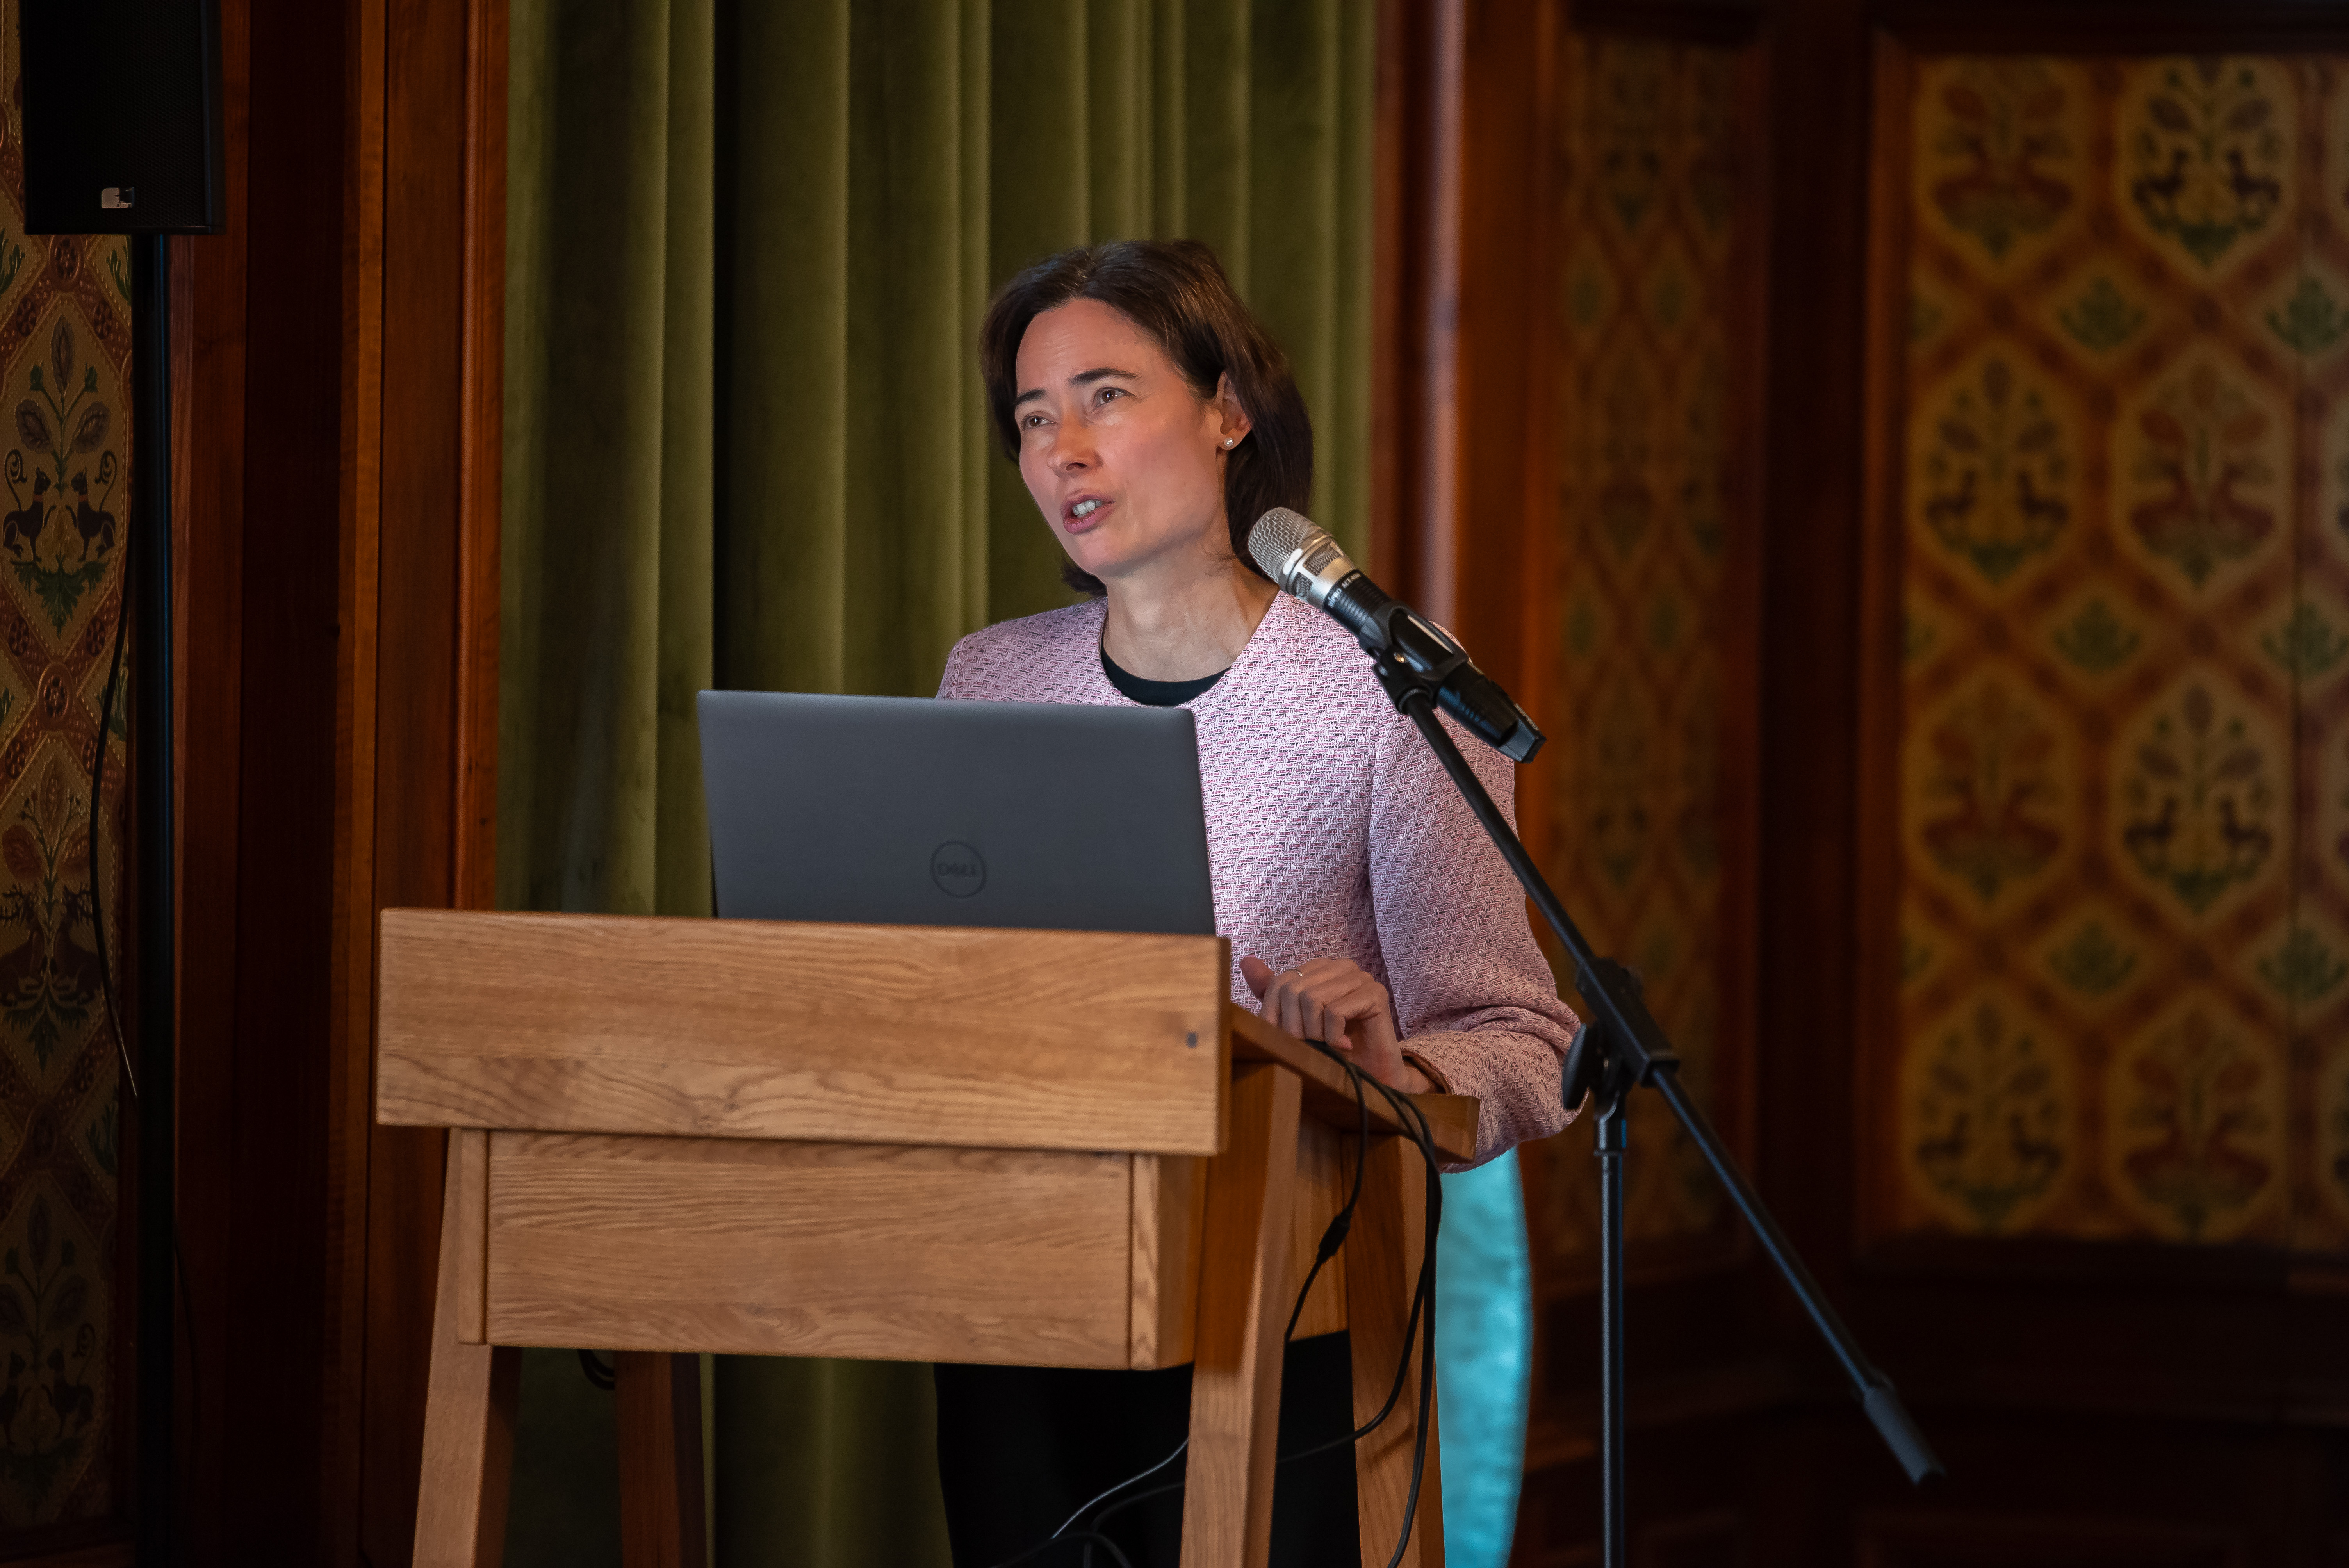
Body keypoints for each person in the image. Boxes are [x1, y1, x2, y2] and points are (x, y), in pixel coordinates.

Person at [932, 239, 1579, 1568]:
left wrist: (1395, 1070)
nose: (1064, 449)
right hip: (1016, 1274)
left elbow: (1522, 1040)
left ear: (1228, 411)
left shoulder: (1385, 698)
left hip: (1286, 1297)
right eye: (1034, 419)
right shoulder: (989, 680)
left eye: (1108, 397)